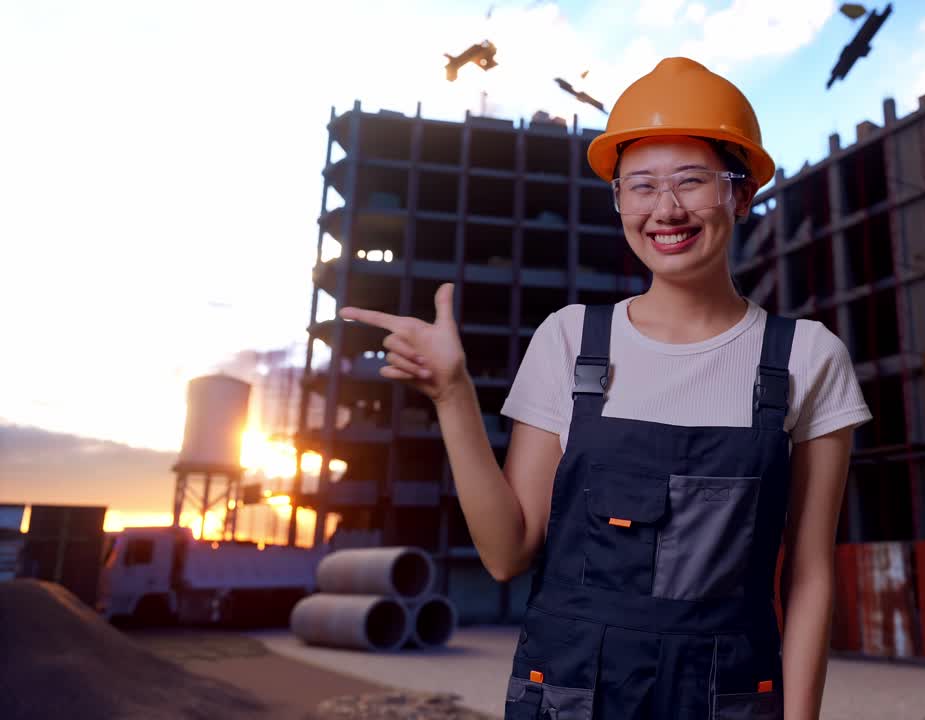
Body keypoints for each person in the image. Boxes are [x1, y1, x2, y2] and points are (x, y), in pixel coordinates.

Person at [339, 57, 871, 720]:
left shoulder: (807, 357)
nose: (666, 209)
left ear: (739, 194)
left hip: (726, 698)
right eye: (640, 186)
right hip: (570, 695)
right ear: (619, 199)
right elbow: (507, 554)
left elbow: (810, 574)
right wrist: (451, 395)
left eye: (691, 182)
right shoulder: (570, 341)